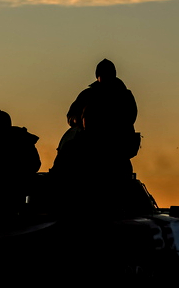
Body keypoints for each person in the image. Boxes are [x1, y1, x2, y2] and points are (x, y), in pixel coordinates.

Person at [53, 59, 141, 203]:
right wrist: (78, 121)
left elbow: (129, 117)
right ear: (97, 76)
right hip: (89, 143)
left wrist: (108, 125)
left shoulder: (123, 96)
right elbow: (71, 116)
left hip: (116, 145)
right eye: (102, 75)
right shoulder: (88, 95)